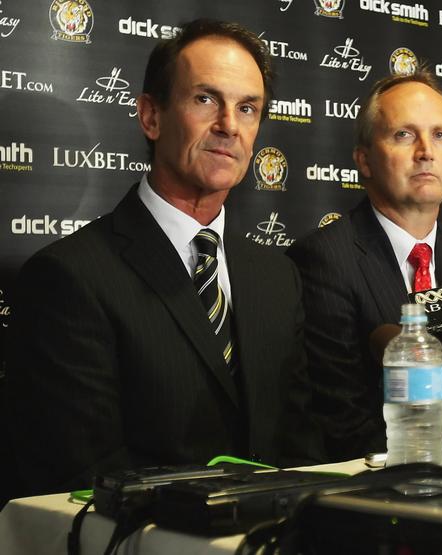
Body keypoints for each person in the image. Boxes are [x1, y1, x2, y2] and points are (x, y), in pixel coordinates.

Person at [4, 19, 321, 496]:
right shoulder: (69, 276)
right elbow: (84, 479)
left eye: (248, 108)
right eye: (205, 99)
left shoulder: (278, 275)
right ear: (151, 117)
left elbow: (302, 446)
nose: (229, 126)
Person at [286, 69, 442, 462]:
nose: (426, 151)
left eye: (440, 135)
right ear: (364, 161)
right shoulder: (325, 260)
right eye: (404, 134)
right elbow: (341, 420)